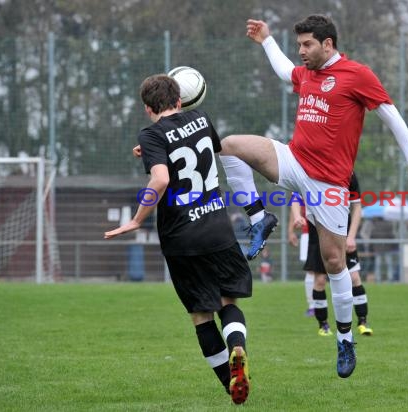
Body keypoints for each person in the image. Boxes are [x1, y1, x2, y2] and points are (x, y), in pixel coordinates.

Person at [218, 15, 408, 378]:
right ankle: (259, 220)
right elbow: (285, 71)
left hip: (329, 184)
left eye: (307, 45)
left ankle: (345, 339)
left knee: (335, 263)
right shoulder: (307, 74)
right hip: (293, 160)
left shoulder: (357, 75)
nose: (301, 51)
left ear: (328, 44)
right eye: (299, 45)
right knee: (229, 147)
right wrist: (267, 41)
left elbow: (392, 116)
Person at [105, 74, 251, 404]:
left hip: (182, 237)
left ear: (147, 108)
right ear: (181, 101)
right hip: (218, 228)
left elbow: (160, 180)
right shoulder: (201, 118)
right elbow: (206, 148)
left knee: (201, 315)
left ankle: (231, 384)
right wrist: (156, 150)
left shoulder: (151, 132)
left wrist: (136, 220)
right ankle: (238, 348)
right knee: (229, 303)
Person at [291, 173, 373, 338]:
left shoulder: (348, 173)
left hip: (342, 232)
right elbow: (295, 197)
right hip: (317, 233)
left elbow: (357, 207)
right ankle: (323, 325)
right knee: (319, 280)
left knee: (354, 277)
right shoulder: (309, 169)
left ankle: (363, 322)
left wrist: (351, 236)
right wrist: (298, 216)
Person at [287, 200, 315, 316]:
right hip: (308, 232)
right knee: (311, 270)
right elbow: (294, 206)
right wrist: (290, 231)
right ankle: (313, 306)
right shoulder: (299, 182)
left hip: (329, 231)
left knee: (335, 269)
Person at [370, 217, 398, 283]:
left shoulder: (375, 225)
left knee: (378, 264)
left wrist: (372, 246)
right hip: (387, 246)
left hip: (377, 247)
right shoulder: (389, 225)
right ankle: (390, 278)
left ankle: (378, 278)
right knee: (389, 264)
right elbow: (392, 236)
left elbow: (372, 236)